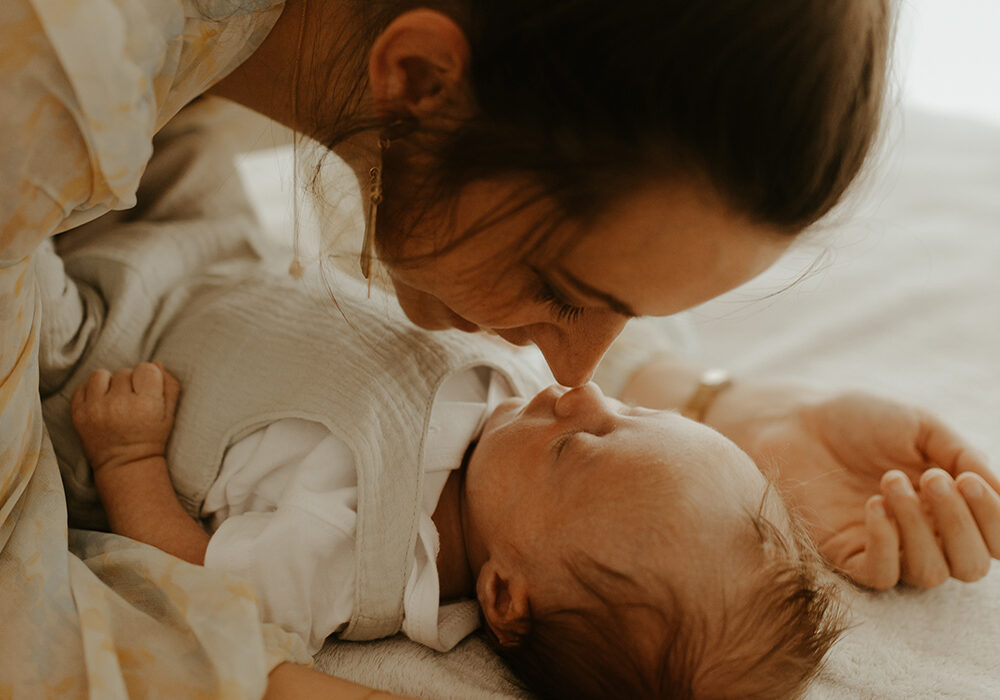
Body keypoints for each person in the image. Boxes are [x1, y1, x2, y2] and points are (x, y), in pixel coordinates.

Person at [7, 0, 992, 697]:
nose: (577, 374)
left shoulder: (365, 556)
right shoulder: (46, 63)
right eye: (567, 291)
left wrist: (716, 405)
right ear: (420, 80)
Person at [66, 272, 1000, 700]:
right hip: (231, 261)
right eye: (632, 417)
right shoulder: (519, 427)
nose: (587, 392)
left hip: (118, 343)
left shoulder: (353, 561)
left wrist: (129, 461)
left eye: (581, 449)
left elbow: (189, 580)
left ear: (507, 594)